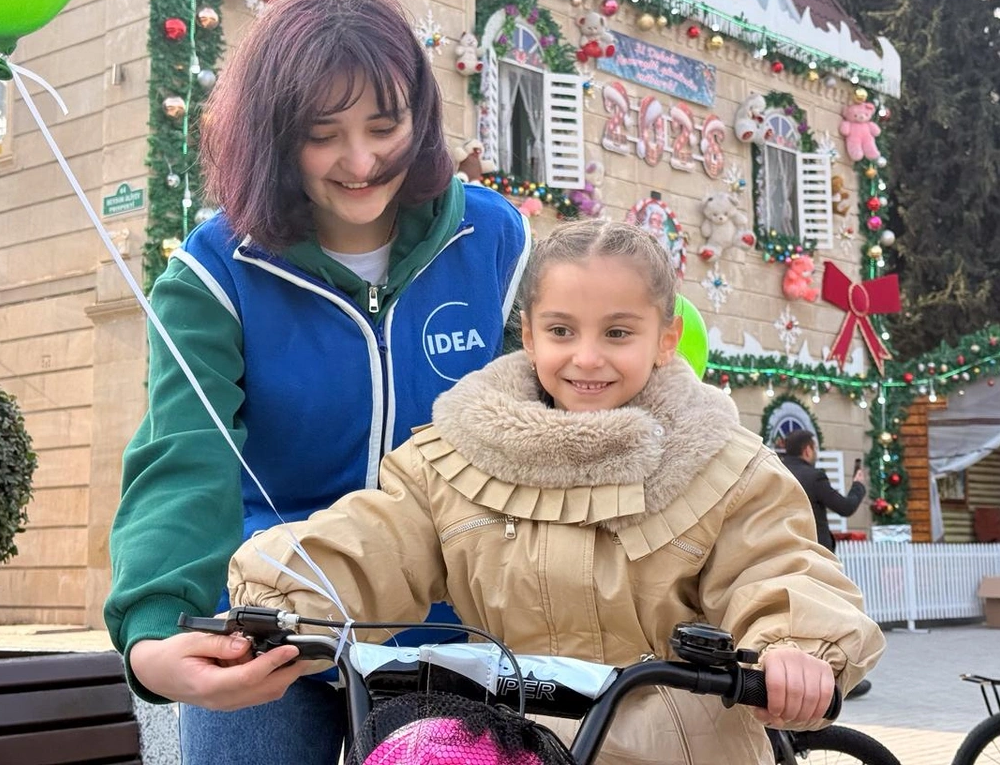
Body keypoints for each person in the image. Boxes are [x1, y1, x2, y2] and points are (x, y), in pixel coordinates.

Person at [228, 220, 885, 765]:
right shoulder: (460, 455)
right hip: (514, 745)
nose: (587, 358)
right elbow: (378, 538)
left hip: (679, 748)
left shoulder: (721, 465)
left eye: (618, 333)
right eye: (562, 331)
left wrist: (796, 646)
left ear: (665, 339)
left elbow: (777, 563)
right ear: (530, 334)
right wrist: (280, 595)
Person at [103, 0, 531, 765]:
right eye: (322, 132)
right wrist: (156, 635)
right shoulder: (213, 274)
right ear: (273, 133)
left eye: (384, 124)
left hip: (453, 632)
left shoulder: (496, 241)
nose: (361, 161)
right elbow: (183, 456)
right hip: (269, 623)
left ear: (420, 116)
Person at [779, 430, 872, 698]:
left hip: (783, 553)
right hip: (816, 555)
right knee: (830, 618)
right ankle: (838, 681)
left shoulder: (776, 471)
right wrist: (858, 486)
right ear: (808, 449)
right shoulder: (814, 476)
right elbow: (844, 507)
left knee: (795, 619)